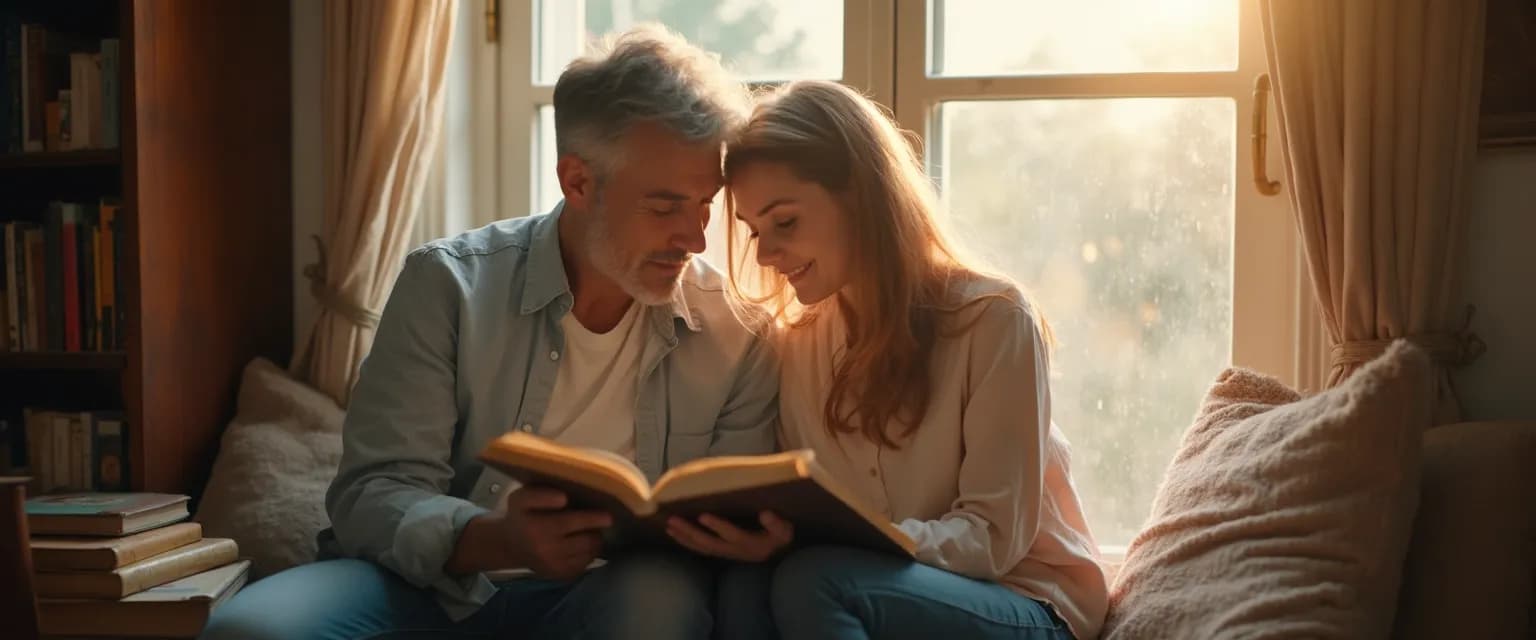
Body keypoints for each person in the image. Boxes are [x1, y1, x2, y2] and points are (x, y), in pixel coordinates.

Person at [200, 25, 779, 640]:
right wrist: (494, 539)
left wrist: (750, 539)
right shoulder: (447, 285)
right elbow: (372, 492)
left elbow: (727, 508)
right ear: (577, 181)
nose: (693, 239)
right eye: (665, 208)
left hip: (610, 593)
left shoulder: (735, 329)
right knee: (251, 630)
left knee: (660, 604)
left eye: (705, 206)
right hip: (424, 586)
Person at [662, 80, 1110, 640]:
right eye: (756, 232)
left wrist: (828, 542)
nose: (768, 255)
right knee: (746, 584)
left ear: (860, 194)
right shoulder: (795, 344)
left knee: (814, 579)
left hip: (1028, 599)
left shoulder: (994, 320)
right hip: (884, 586)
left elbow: (992, 541)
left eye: (786, 222)